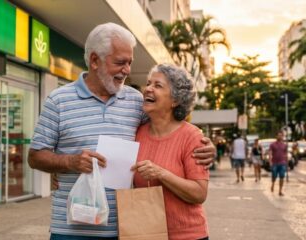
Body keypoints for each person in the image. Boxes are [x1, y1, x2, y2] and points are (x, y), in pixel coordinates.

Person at [28, 22, 216, 239]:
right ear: (95, 60)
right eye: (120, 62)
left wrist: (206, 143)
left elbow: (169, 126)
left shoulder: (136, 101)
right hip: (71, 228)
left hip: (124, 229)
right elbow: (35, 157)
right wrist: (68, 162)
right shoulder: (59, 100)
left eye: (130, 62)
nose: (127, 70)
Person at [131, 64, 209, 240]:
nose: (148, 89)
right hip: (146, 233)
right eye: (148, 83)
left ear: (175, 100)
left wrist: (161, 173)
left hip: (187, 235)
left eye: (157, 85)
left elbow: (199, 193)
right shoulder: (137, 132)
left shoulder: (192, 137)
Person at [269, 131, 287, 196]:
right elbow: (270, 153)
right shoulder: (272, 144)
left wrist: (286, 163)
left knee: (282, 177)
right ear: (276, 136)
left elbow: (285, 154)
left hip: (282, 163)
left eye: (281, 135)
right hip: (275, 163)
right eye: (278, 135)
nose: (280, 136)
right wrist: (270, 161)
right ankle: (273, 184)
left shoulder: (284, 145)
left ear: (282, 136)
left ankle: (280, 191)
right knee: (274, 175)